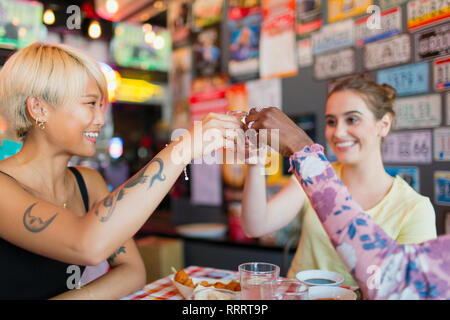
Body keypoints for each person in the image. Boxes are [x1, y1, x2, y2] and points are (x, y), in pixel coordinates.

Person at [0, 42, 241, 299]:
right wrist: (181, 150)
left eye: (100, 106)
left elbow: (133, 271)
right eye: (90, 104)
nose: (101, 119)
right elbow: (87, 245)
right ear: (38, 108)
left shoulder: (88, 182)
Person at [241, 76, 437, 286]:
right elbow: (256, 225)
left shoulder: (415, 209)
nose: (338, 132)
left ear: (384, 124)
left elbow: (413, 289)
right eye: (331, 121)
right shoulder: (313, 175)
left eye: (352, 119)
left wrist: (299, 146)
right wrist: (255, 162)